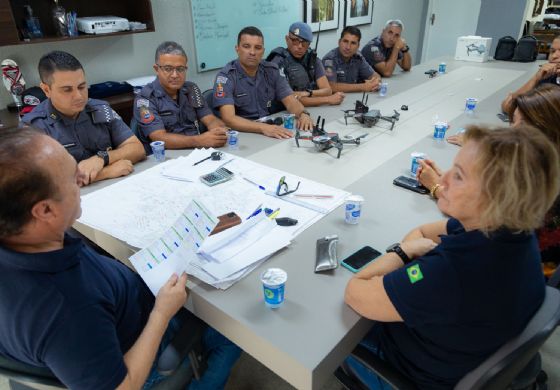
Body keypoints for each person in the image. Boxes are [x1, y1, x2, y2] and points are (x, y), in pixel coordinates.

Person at [0, 127, 240, 390]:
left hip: (120, 312)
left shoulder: (26, 241)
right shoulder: (65, 309)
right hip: (141, 343)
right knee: (231, 333)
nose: (82, 177)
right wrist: (161, 313)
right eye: (72, 178)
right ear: (45, 210)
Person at [343, 125, 560, 388]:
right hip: (461, 349)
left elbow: (355, 292)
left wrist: (404, 253)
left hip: (409, 372)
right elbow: (422, 231)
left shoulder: (452, 273)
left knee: (327, 332)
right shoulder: (509, 230)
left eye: (457, 176)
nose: (442, 180)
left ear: (496, 197)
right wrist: (410, 269)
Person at [22, 51, 145, 186]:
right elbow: (38, 182)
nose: (79, 96)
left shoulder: (100, 108)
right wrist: (105, 173)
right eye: (67, 90)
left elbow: (137, 149)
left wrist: (102, 158)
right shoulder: (33, 127)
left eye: (82, 87)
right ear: (46, 90)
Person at [213, 26, 313, 139]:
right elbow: (229, 119)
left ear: (263, 51)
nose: (252, 52)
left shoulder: (272, 71)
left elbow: (290, 101)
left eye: (257, 48)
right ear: (237, 49)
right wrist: (262, 128)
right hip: (245, 135)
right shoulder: (226, 77)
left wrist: (303, 114)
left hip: (271, 131)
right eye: (246, 46)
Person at [134, 41, 228, 151]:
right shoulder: (144, 99)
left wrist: (217, 129)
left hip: (198, 151)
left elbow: (209, 118)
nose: (175, 75)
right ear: (157, 69)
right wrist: (199, 140)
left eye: (180, 69)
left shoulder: (191, 89)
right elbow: (158, 137)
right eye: (168, 69)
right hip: (167, 157)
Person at [267, 22, 345, 107]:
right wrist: (328, 99)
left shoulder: (313, 59)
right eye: (295, 41)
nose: (300, 47)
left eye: (304, 43)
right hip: (286, 112)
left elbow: (327, 90)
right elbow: (290, 98)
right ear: (287, 39)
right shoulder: (278, 62)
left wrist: (308, 93)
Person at [501, 34, 560, 113]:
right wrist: (535, 78)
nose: (554, 56)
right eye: (552, 51)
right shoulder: (547, 77)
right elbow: (508, 105)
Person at [322, 26, 381, 93]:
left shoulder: (358, 57)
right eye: (345, 41)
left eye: (353, 43)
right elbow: (331, 86)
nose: (348, 47)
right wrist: (363, 87)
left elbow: (374, 75)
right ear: (339, 42)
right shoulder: (329, 59)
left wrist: (375, 82)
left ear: (358, 46)